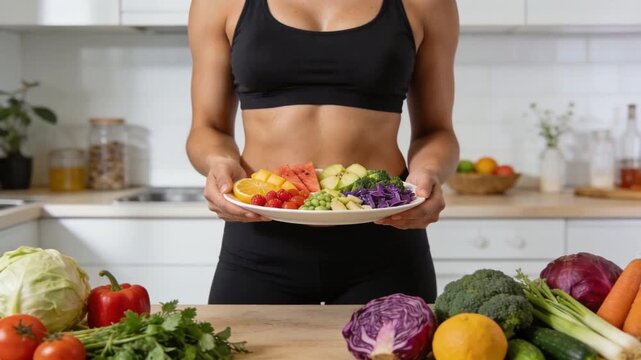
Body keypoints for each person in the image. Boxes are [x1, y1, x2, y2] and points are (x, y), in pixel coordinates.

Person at [187, 0, 459, 305]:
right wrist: (219, 162)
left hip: (386, 240)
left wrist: (429, 173)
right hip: (260, 240)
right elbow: (206, 129)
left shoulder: (428, 3)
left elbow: (437, 131)